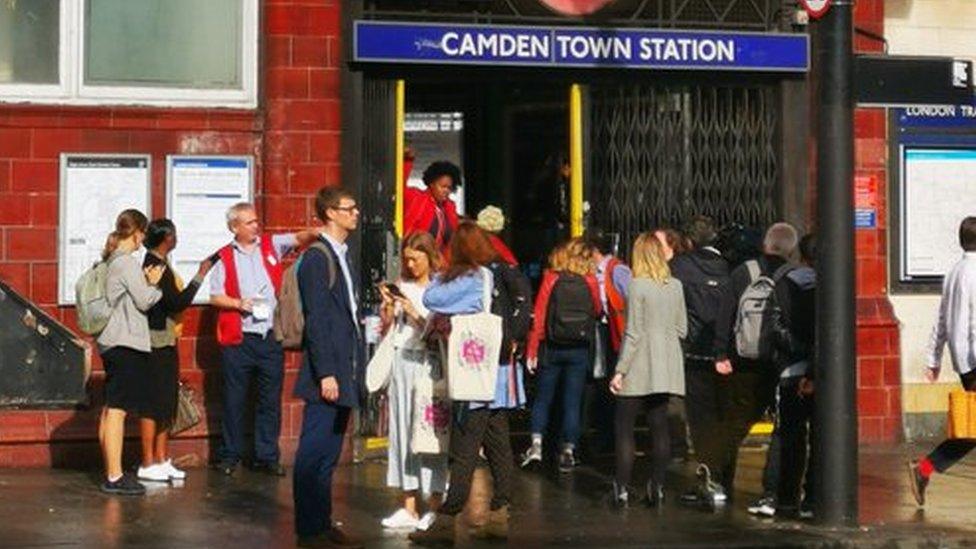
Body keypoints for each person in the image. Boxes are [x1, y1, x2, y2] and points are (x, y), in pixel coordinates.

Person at [409, 221, 530, 546]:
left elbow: (433, 298)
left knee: (464, 447)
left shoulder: (471, 278)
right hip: (498, 373)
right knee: (498, 442)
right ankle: (500, 513)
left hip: (476, 374)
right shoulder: (491, 274)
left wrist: (440, 274)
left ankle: (448, 519)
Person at [209, 202, 320, 476]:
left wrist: (322, 229)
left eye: (256, 221)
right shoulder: (224, 257)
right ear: (235, 227)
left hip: (270, 337)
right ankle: (230, 455)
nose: (255, 226)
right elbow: (214, 296)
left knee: (269, 400)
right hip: (240, 339)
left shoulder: (271, 246)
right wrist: (238, 303)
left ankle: (266, 456)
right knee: (234, 399)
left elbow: (299, 237)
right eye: (249, 222)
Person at [707, 222, 799, 502]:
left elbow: (726, 314)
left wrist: (720, 353)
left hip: (745, 361)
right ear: (791, 249)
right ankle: (773, 491)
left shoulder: (742, 272)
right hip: (782, 362)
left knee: (735, 423)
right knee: (784, 429)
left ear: (765, 245)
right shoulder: (794, 276)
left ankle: (721, 482)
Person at [293, 187, 363, 548]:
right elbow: (317, 318)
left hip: (344, 368)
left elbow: (343, 315)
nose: (356, 214)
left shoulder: (341, 255)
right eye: (349, 209)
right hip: (329, 372)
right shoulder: (318, 258)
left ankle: (321, 522)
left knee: (329, 454)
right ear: (330, 213)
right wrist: (326, 373)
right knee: (313, 452)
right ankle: (308, 529)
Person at [609, 232, 687, 506]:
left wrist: (620, 370)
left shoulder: (636, 285)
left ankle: (621, 488)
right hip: (667, 366)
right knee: (659, 427)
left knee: (624, 428)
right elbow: (682, 329)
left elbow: (633, 332)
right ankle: (658, 487)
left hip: (640, 364)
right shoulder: (675, 286)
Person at [377, 232, 447, 531]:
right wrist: (389, 311)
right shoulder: (401, 286)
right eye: (406, 259)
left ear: (429, 258)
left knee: (429, 433)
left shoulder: (440, 288)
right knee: (402, 432)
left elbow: (438, 331)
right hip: (402, 359)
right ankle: (408, 505)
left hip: (428, 363)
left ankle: (434, 504)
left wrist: (415, 313)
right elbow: (388, 329)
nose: (410, 264)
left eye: (415, 259)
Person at [136, 219, 215, 483]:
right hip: (155, 341)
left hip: (166, 339)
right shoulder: (155, 265)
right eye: (175, 234)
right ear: (167, 238)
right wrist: (200, 275)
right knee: (153, 402)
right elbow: (176, 302)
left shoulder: (160, 263)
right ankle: (148, 461)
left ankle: (161, 457)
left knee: (166, 401)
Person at [909, 217, 976, 507]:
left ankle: (924, 469)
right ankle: (924, 468)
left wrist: (933, 358)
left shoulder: (954, 272)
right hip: (974, 358)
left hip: (964, 361)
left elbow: (941, 320)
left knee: (973, 428)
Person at [97, 209, 165, 495]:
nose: (143, 242)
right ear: (136, 232)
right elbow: (145, 300)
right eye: (142, 235)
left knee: (110, 409)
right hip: (124, 342)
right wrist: (154, 282)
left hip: (112, 340)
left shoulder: (112, 260)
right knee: (118, 411)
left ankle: (111, 471)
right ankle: (114, 475)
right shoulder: (125, 263)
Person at [521, 238, 602, 472]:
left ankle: (536, 446)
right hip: (579, 348)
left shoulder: (551, 278)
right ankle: (568, 450)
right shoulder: (589, 281)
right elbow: (597, 310)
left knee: (543, 398)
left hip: (552, 346)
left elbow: (540, 314)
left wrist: (532, 349)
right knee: (572, 401)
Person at [669, 216, 731, 506]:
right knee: (724, 417)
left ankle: (709, 477)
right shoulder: (732, 267)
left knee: (701, 418)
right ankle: (723, 477)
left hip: (693, 352)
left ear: (689, 242)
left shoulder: (680, 268)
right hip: (726, 354)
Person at [768, 233, 818, 519]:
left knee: (791, 438)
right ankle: (813, 496)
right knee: (820, 438)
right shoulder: (831, 285)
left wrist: (795, 352)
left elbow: (774, 326)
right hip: (821, 373)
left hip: (791, 371)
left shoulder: (785, 283)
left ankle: (787, 498)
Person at [585, 228, 632, 454]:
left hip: (617, 334)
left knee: (614, 384)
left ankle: (613, 435)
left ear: (594, 251)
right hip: (602, 331)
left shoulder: (618, 270)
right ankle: (604, 434)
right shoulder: (595, 271)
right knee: (601, 383)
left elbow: (631, 301)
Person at [403, 161, 461, 252]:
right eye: (443, 186)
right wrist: (406, 162)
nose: (446, 191)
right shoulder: (416, 197)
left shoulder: (450, 207)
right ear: (432, 184)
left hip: (438, 263)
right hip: (415, 258)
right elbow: (398, 187)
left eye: (449, 187)